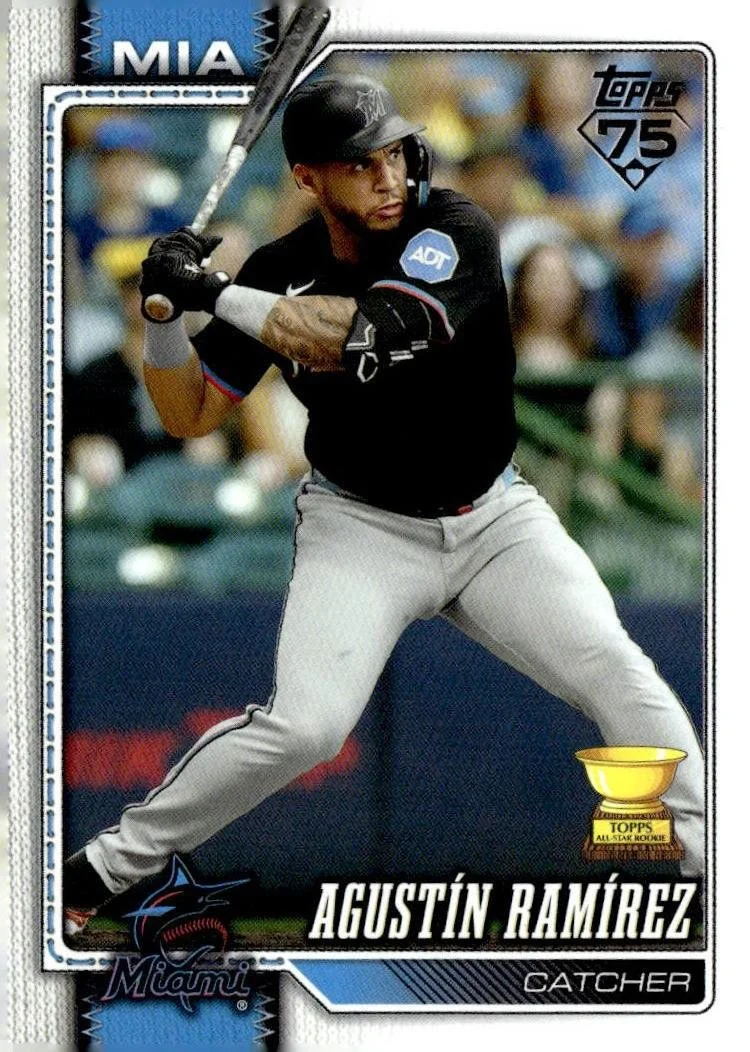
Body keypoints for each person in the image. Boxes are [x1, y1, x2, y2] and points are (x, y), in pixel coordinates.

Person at [63, 74, 705, 935]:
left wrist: (213, 293)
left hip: (493, 518)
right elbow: (190, 413)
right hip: (360, 526)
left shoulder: (455, 228)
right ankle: (101, 869)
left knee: (616, 670)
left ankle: (720, 877)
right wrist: (165, 313)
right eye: (360, 164)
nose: (388, 176)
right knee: (306, 729)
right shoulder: (276, 270)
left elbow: (367, 332)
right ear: (308, 178)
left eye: (395, 154)